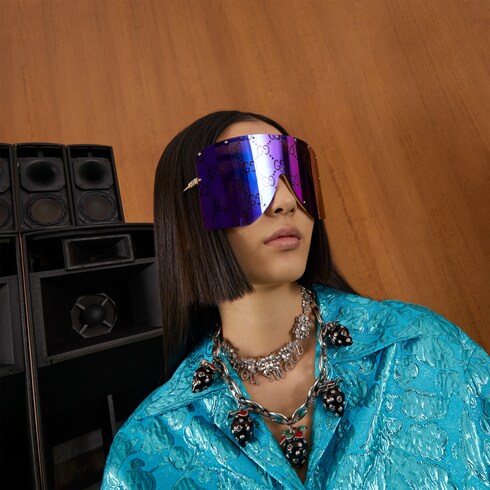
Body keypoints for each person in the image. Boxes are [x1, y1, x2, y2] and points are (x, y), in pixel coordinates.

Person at [102, 111, 489, 489]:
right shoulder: (150, 447)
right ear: (186, 225)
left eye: (296, 174)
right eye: (248, 179)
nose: (285, 202)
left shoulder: (421, 347)